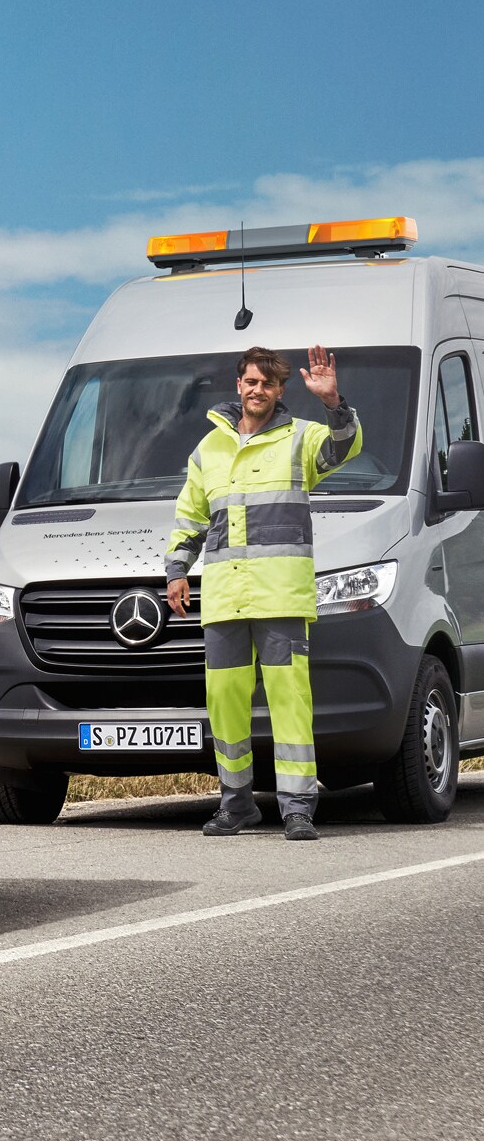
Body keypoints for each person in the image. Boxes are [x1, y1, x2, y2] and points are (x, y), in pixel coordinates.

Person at [166, 344, 361, 842]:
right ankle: (236, 804)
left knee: (289, 701)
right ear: (239, 385)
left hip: (281, 596)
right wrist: (176, 571)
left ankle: (297, 807)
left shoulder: (301, 439)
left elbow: (344, 446)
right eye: (251, 382)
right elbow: (190, 516)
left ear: (280, 390)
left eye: (268, 384)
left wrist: (334, 402)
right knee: (224, 701)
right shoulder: (209, 449)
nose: (258, 390)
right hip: (226, 598)